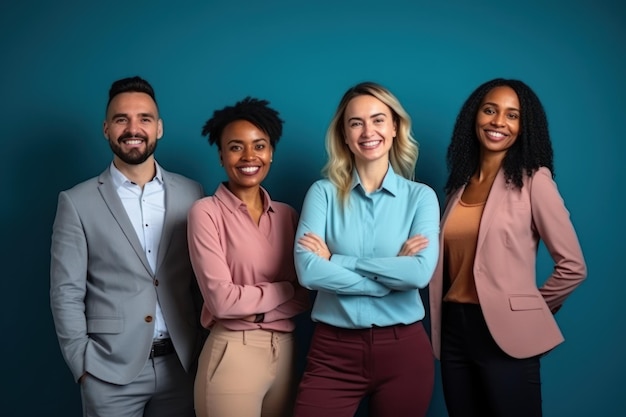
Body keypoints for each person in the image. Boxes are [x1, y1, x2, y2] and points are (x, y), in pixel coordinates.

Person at [429, 78, 587, 417]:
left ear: (524, 126)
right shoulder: (458, 187)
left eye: (512, 115)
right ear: (474, 116)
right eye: (490, 110)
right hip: (455, 329)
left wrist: (530, 310)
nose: (498, 122)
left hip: (506, 333)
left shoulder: (535, 180)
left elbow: (573, 266)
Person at [50, 76, 205, 417]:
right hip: (108, 373)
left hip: (182, 367)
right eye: (122, 119)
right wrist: (83, 366)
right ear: (106, 128)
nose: (133, 128)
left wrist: (201, 350)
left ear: (159, 128)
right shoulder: (76, 202)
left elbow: (200, 281)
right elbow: (66, 292)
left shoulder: (192, 194)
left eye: (144, 119)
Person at [292, 81, 440, 417]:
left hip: (404, 352)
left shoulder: (421, 198)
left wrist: (338, 260)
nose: (367, 131)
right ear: (344, 134)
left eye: (377, 119)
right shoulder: (322, 194)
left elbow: (418, 273)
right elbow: (308, 270)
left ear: (394, 127)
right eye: (355, 122)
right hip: (332, 351)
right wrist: (388, 277)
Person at [187, 97, 310, 417]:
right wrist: (282, 289)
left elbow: (308, 295)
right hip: (232, 352)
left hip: (284, 352)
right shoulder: (206, 213)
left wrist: (255, 311)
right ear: (221, 155)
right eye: (236, 147)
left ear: (271, 152)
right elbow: (222, 303)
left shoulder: (288, 215)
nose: (249, 156)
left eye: (259, 145)